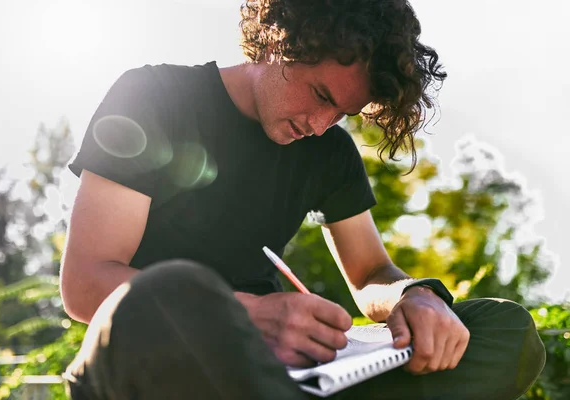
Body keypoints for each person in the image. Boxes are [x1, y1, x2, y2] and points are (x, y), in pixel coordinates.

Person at [59, 0, 545, 399]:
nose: (318, 124)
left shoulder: (328, 151)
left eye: (342, 113)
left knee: (503, 328)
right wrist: (246, 316)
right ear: (279, 38)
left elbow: (371, 274)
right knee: (175, 288)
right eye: (319, 94)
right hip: (152, 363)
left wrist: (414, 295)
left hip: (280, 378)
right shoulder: (153, 95)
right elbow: (85, 284)